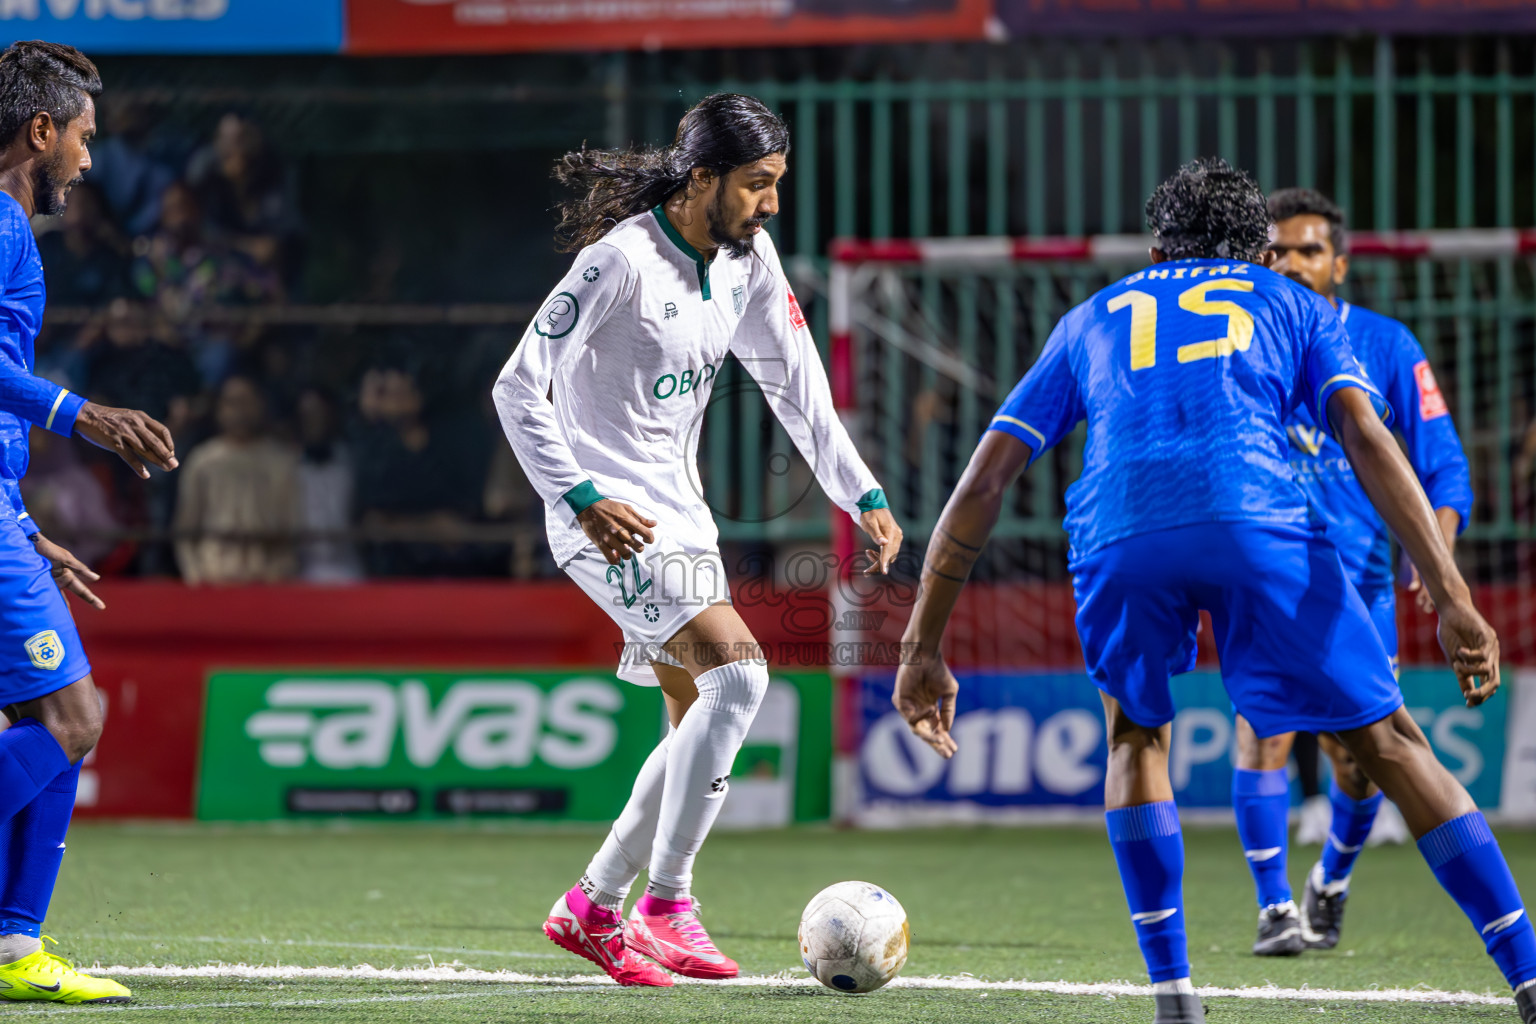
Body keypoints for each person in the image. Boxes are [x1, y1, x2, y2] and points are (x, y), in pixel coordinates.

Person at [891, 157, 1534, 1024]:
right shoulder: (1294, 303)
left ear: (1157, 246)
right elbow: (1365, 436)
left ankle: (1175, 997)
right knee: (1390, 741)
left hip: (1121, 532)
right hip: (1257, 522)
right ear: (1261, 250)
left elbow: (984, 481)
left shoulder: (1090, 317)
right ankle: (1527, 976)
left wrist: (922, 642)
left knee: (1136, 739)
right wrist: (1453, 594)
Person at [493, 93, 902, 987]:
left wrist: (860, 489)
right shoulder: (618, 263)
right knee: (742, 676)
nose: (771, 205)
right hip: (609, 520)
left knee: (691, 721)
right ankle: (651, 904)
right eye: (757, 185)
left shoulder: (747, 260)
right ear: (702, 178)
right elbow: (517, 388)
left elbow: (798, 386)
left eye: (778, 186)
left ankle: (609, 909)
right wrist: (583, 496)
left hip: (683, 518)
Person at [1230, 187, 1473, 956]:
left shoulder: (1388, 346)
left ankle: (1329, 883)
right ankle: (1274, 908)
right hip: (1267, 573)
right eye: (1276, 249)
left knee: (1363, 757)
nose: (1291, 263)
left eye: (1309, 250)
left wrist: (1433, 560)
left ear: (1339, 262)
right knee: (1261, 728)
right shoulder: (1235, 341)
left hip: (1360, 580)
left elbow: (1446, 472)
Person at [0, 40, 178, 1004]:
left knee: (48, 716)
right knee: (74, 718)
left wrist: (22, 525)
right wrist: (85, 414)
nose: (88, 160)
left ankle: (13, 950)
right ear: (41, 131)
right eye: (82, 138)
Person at [173, 375, 297, 585]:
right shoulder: (203, 461)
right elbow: (185, 529)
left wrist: (278, 575)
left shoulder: (282, 461)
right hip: (213, 576)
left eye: (247, 402)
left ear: (261, 405)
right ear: (220, 408)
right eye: (232, 402)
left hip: (266, 579)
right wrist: (194, 575)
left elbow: (293, 531)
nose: (240, 411)